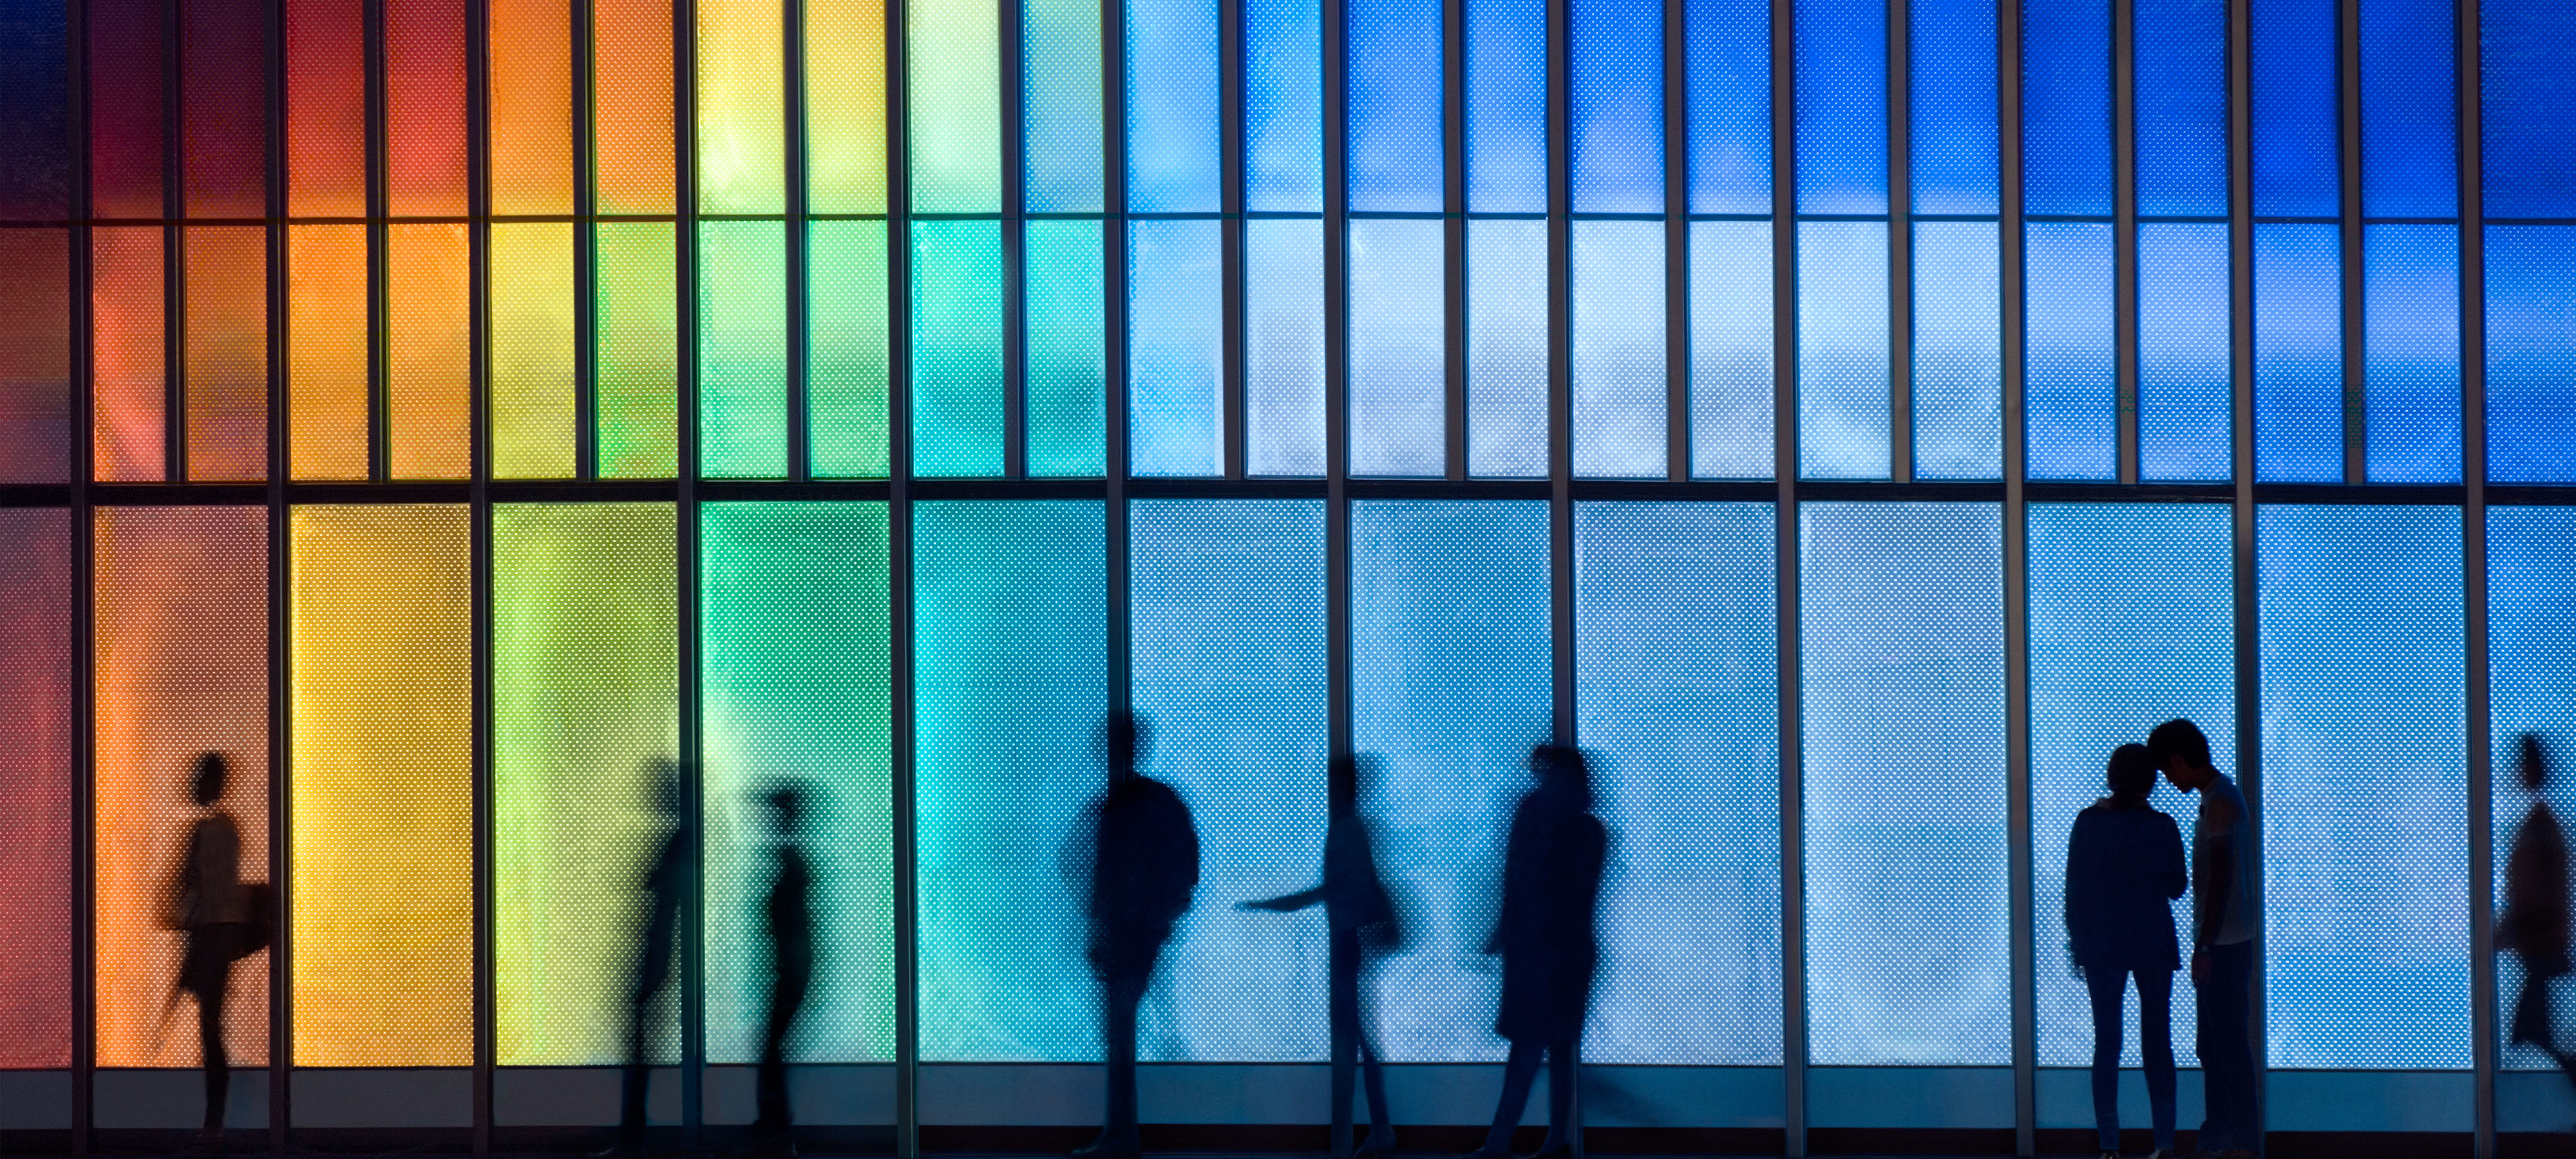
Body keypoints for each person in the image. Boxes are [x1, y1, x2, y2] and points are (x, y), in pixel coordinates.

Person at [1239, 755, 1402, 1157]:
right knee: (1361, 1039)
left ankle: (1358, 1137)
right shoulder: (1359, 828)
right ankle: (1376, 1131)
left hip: (1349, 942)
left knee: (1353, 1039)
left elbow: (1333, 890)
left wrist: (1275, 905)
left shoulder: (1346, 831)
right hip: (1355, 941)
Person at [1466, 745, 1607, 1159]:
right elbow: (1575, 898)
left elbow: (1521, 881)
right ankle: (1555, 1139)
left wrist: (1506, 931)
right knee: (1560, 1046)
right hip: (1570, 952)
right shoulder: (1589, 831)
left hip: (1538, 951)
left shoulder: (1536, 818)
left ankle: (1500, 1143)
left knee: (1528, 1046)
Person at [1077, 713, 1200, 1159]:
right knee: (1121, 1033)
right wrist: (1164, 918)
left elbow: (1108, 875)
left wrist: (1117, 925)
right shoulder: (1153, 801)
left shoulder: (1120, 804)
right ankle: (1120, 1135)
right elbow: (1184, 866)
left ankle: (1121, 1137)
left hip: (1130, 934)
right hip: (1137, 933)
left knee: (1120, 1033)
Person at [2066, 744, 2189, 1159]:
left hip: (2102, 943)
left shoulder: (2088, 823)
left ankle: (2109, 1146)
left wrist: (2076, 945)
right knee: (2158, 1040)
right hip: (2152, 939)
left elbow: (2075, 891)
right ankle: (2164, 1143)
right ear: (2151, 782)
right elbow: (2176, 887)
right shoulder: (2163, 826)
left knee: (2107, 1042)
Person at [2148, 719, 2257, 1159]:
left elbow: (2220, 882)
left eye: (2167, 771)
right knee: (2215, 1045)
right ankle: (2220, 1136)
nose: (2168, 781)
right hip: (2230, 942)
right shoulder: (2223, 797)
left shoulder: (2219, 806)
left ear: (2178, 761)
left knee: (2225, 1046)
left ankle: (2235, 1141)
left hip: (2225, 945)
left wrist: (2204, 947)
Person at [169, 752, 267, 1153]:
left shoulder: (204, 831)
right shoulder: (228, 828)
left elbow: (185, 887)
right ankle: (215, 1120)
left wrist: (176, 912)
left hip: (208, 938)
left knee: (209, 1030)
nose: (192, 785)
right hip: (221, 937)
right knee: (211, 1027)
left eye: (197, 778)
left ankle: (214, 1122)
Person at [604, 760, 691, 1156]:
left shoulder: (680, 840)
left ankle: (633, 1139)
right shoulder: (680, 838)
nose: (652, 796)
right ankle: (634, 1136)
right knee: (639, 1049)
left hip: (657, 962)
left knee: (639, 1050)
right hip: (658, 961)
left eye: (660, 788)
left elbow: (668, 905)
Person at [2497, 734, 2573, 1090]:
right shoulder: (2541, 820)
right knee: (2533, 1032)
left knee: (2532, 1032)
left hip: (2540, 945)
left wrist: (2505, 931)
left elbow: (2535, 892)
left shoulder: (2540, 824)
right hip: (2542, 945)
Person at [752, 786, 814, 1156]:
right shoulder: (790, 858)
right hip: (791, 972)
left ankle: (775, 1135)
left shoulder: (791, 859)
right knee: (772, 1050)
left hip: (791, 973)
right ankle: (774, 1132)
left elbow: (788, 923)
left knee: (772, 1051)